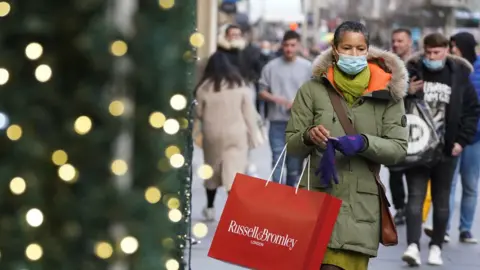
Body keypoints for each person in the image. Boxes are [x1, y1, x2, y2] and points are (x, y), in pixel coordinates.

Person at [286, 21, 408, 270]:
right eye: (347, 48)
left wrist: (364, 143)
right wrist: (309, 136)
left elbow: (398, 149)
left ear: (368, 50)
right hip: (318, 201)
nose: (354, 55)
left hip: (360, 209)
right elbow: (292, 145)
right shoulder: (312, 90)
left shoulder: (388, 95)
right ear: (334, 49)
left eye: (360, 49)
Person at [401, 33, 479, 266]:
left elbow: (471, 110)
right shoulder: (413, 71)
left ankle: (436, 247)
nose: (432, 57)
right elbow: (394, 104)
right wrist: (407, 91)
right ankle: (413, 246)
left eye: (437, 53)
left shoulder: (459, 76)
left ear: (447, 50)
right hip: (418, 146)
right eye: (428, 53)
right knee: (414, 198)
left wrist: (460, 142)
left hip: (446, 149)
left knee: (441, 199)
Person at [195, 53, 262, 222]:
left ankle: (210, 207)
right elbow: (249, 114)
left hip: (212, 135)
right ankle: (234, 211)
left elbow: (198, 113)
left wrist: (196, 133)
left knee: (211, 171)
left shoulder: (204, 87)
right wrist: (254, 136)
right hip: (236, 134)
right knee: (234, 172)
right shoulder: (240, 86)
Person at [259, 30, 312, 186]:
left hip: (298, 123)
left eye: (293, 45)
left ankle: (289, 195)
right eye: (286, 45)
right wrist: (278, 99)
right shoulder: (270, 67)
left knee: (294, 165)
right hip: (276, 122)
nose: (289, 49)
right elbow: (261, 91)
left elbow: (314, 92)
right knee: (277, 159)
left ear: (299, 46)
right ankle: (276, 193)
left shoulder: (307, 67)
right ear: (282, 46)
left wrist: (299, 101)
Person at [446, 32, 480, 244]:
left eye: (454, 46)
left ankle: (466, 229)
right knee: (447, 183)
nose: (452, 50)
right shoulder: (450, 67)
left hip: (475, 137)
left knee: (470, 185)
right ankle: (444, 227)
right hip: (451, 135)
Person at [389, 28, 414, 225]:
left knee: (414, 169)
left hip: (415, 125)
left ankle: (413, 208)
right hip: (392, 124)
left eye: (400, 41)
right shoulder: (386, 65)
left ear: (409, 42)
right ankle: (400, 208)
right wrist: (407, 90)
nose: (396, 44)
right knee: (395, 170)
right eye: (394, 41)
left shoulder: (419, 64)